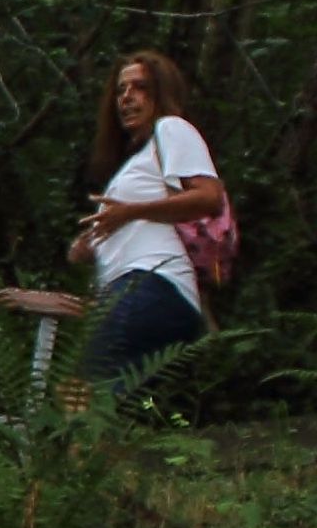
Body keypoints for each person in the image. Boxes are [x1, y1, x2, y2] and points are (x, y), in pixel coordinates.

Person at [76, 48, 224, 398]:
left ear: (161, 93)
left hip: (152, 283)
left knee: (85, 397)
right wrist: (90, 242)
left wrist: (128, 212)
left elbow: (209, 197)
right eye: (120, 90)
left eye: (139, 87)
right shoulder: (137, 159)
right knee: (106, 407)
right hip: (134, 288)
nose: (127, 98)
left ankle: (80, 453)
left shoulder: (172, 129)